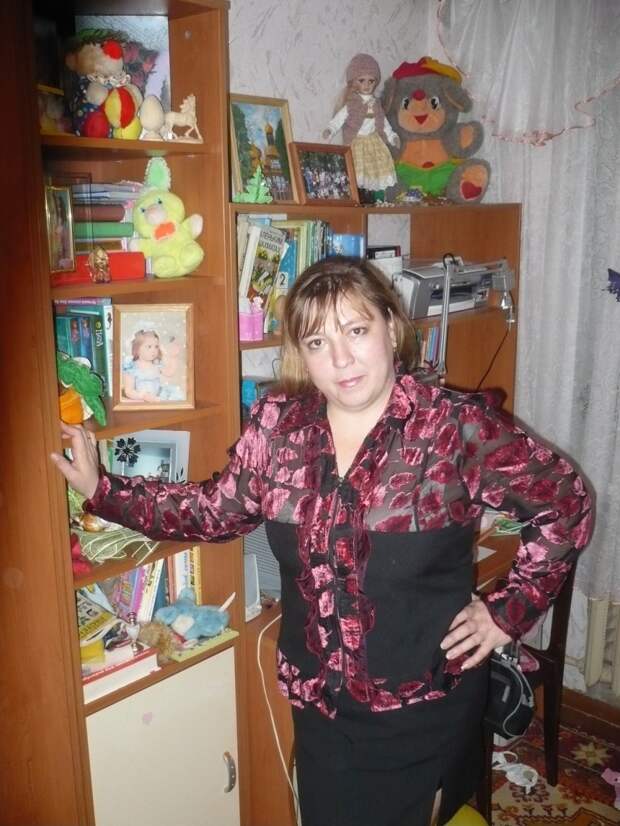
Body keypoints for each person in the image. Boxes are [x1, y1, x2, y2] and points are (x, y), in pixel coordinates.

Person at [52, 257, 592, 826]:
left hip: (423, 703)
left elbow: (566, 502)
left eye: (356, 330)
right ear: (301, 355)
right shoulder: (278, 429)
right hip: (321, 705)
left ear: (391, 328)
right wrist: (101, 489)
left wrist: (507, 612)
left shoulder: (455, 428)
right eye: (317, 341)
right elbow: (212, 512)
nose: (340, 358)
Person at [322, 53, 400, 202]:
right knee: (357, 172)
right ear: (353, 81)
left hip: (374, 142)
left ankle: (375, 197)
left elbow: (384, 124)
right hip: (356, 142)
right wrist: (330, 130)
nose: (367, 85)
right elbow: (339, 119)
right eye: (362, 80)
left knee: (376, 169)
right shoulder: (351, 104)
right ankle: (359, 196)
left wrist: (392, 137)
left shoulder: (376, 104)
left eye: (371, 81)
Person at [122, 329, 180, 403]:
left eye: (156, 347)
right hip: (139, 399)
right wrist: (143, 396)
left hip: (157, 397)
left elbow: (169, 372)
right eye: (149, 347)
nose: (153, 350)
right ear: (137, 348)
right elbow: (129, 391)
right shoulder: (132, 367)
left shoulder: (156, 364)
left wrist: (174, 357)